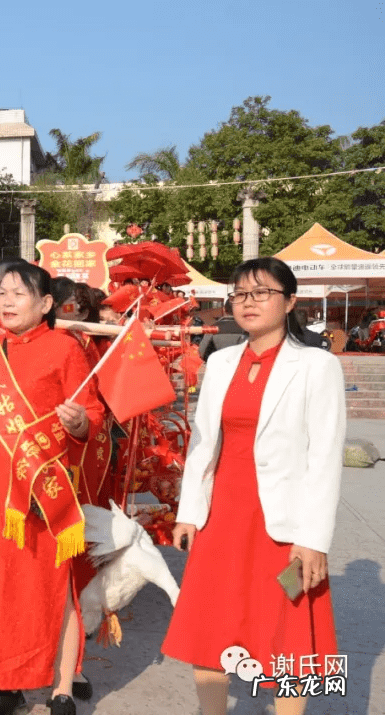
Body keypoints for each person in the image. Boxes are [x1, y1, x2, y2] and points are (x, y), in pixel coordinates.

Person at [163, 257, 343, 715]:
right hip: (222, 515)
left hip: (281, 523)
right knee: (210, 630)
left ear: (290, 302)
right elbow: (203, 444)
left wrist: (313, 540)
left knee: (287, 638)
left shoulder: (316, 366)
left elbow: (325, 458)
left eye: (262, 293)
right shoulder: (220, 361)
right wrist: (188, 511)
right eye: (241, 293)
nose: (249, 302)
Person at [0, 261, 104, 715]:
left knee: (53, 587)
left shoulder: (65, 349)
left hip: (43, 491)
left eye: (17, 293)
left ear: (45, 303)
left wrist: (81, 422)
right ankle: (3, 686)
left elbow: (93, 416)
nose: (4, 300)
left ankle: (62, 687)